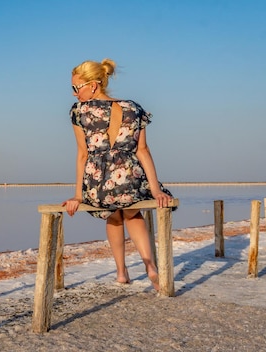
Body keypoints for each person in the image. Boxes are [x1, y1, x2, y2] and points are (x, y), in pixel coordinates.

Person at [61, 58, 174, 291]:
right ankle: (150, 266)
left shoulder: (80, 111)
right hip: (129, 180)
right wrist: (155, 189)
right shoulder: (133, 108)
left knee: (113, 216)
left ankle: (122, 272)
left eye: (76, 87)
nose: (74, 94)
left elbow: (83, 155)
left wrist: (78, 196)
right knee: (132, 213)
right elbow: (142, 151)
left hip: (98, 184)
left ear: (93, 85)